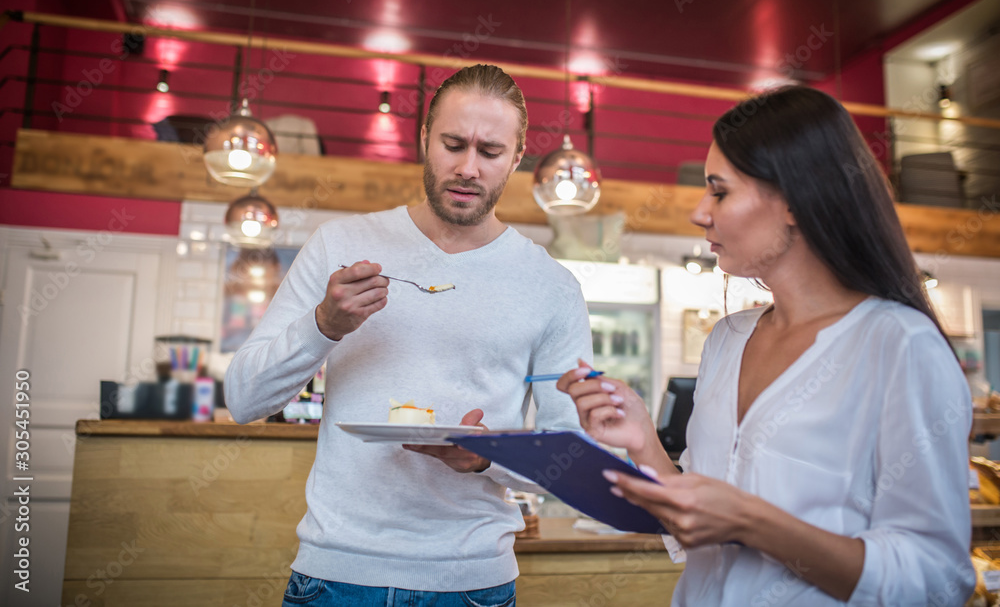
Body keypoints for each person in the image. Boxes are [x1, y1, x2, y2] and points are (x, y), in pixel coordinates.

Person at [557, 85, 975, 606]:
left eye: (719, 191)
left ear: (796, 201)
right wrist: (642, 440)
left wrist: (754, 523)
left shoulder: (899, 346)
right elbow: (697, 523)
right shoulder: (727, 339)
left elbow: (936, 579)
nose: (698, 212)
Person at [225, 64, 592, 606]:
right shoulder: (338, 245)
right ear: (424, 139)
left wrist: (488, 457)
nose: (467, 168)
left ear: (516, 158)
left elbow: (573, 461)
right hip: (334, 575)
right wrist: (322, 326)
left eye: (490, 152)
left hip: (471, 584)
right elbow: (243, 399)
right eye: (452, 144)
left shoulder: (552, 287)